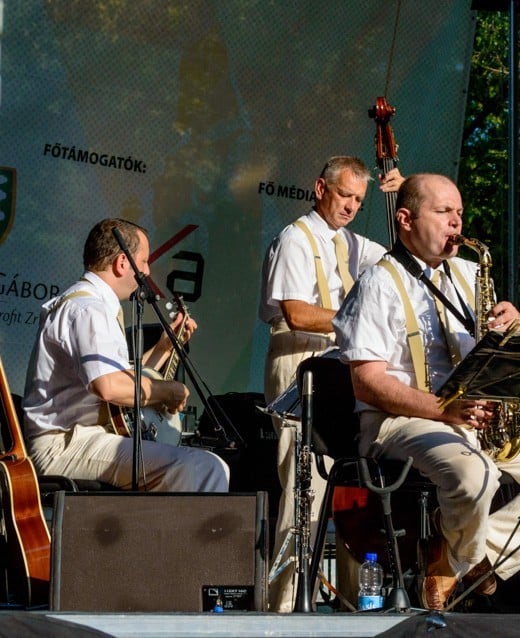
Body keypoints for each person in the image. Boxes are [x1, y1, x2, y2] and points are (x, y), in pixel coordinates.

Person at [333, 173, 520, 610]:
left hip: (472, 421)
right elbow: (367, 381)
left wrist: (513, 329)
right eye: (443, 213)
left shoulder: (470, 273)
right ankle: (462, 558)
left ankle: (465, 559)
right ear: (405, 219)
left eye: (459, 213)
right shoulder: (377, 282)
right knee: (478, 477)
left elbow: (492, 357)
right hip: (400, 422)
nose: (456, 223)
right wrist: (442, 408)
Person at [258, 156, 402, 612]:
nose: (352, 206)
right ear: (320, 188)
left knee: (351, 487)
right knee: (304, 492)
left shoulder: (358, 245)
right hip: (301, 363)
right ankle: (283, 609)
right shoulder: (295, 240)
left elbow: (407, 259)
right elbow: (296, 312)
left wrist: (404, 192)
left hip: (340, 369)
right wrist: (355, 322)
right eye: (345, 196)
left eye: (359, 200)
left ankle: (359, 601)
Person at [22, 218, 229, 492]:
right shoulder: (89, 309)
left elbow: (120, 381)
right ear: (122, 263)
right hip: (65, 444)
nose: (146, 271)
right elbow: (108, 387)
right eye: (143, 262)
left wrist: (164, 348)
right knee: (205, 467)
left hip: (81, 438)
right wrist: (167, 391)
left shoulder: (89, 304)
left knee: (198, 466)